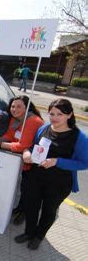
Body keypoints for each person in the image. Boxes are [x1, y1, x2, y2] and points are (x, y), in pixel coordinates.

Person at [14, 98, 88, 250]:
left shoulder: (79, 138)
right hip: (34, 177)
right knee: (30, 206)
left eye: (59, 114)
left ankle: (39, 236)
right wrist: (27, 153)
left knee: (49, 211)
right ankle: (29, 232)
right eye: (51, 114)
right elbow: (32, 146)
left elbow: (84, 163)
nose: (54, 118)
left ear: (70, 115)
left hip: (59, 183)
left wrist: (57, 161)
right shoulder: (44, 128)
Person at [0, 95, 44, 224]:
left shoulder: (33, 121)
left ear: (27, 107)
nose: (14, 109)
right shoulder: (15, 119)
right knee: (20, 188)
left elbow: (23, 146)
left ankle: (24, 212)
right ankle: (19, 208)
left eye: (19, 106)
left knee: (27, 190)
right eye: (13, 106)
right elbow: (9, 135)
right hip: (19, 160)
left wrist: (0, 145)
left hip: (32, 162)